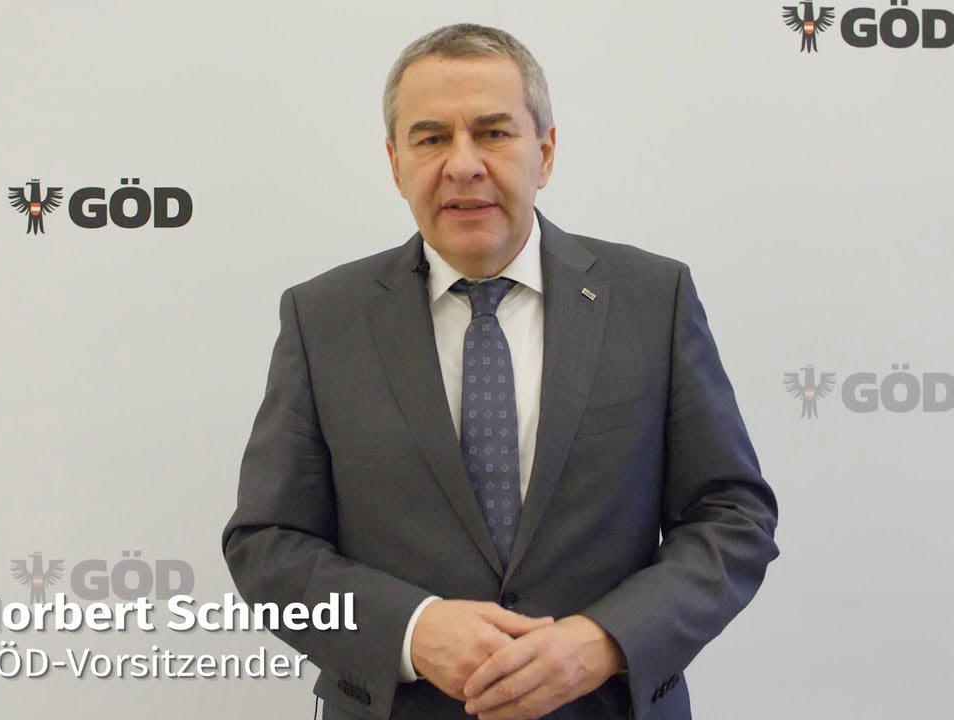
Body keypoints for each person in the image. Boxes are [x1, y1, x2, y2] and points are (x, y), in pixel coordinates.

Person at [222, 23, 780, 720]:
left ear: (544, 153)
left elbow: (732, 516)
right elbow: (268, 545)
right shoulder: (323, 317)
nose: (462, 165)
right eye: (431, 138)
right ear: (396, 164)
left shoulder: (651, 299)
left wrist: (606, 640)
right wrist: (412, 631)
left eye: (492, 133)